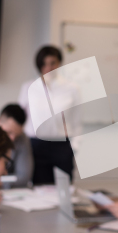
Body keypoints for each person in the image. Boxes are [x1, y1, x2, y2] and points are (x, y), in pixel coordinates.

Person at [18, 45, 81, 184]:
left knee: (64, 188)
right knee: (39, 187)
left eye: (53, 63)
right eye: (44, 64)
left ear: (59, 63)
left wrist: (75, 146)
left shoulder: (71, 88)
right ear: (39, 65)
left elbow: (77, 121)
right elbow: (20, 118)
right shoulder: (28, 87)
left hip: (61, 145)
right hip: (35, 145)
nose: (49, 68)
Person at [0, 103, 33, 188]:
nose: (12, 139)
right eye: (9, 132)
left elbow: (23, 177)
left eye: (16, 134)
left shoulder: (22, 139)